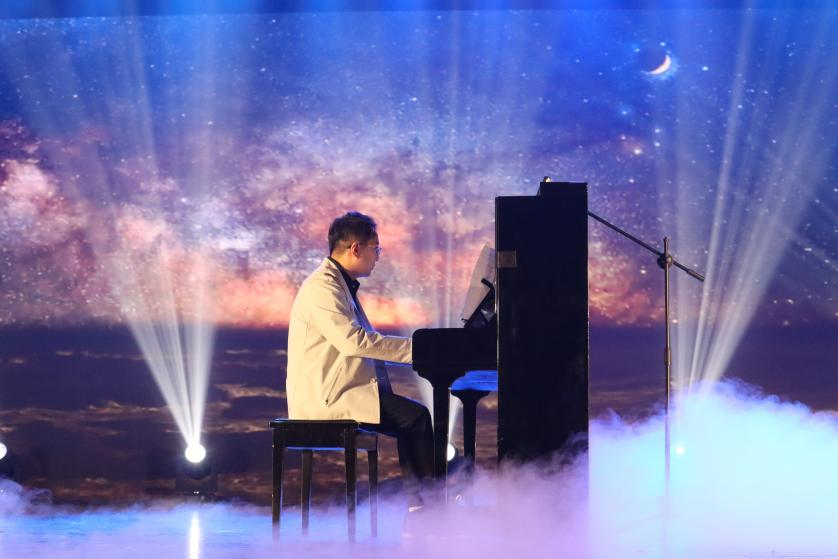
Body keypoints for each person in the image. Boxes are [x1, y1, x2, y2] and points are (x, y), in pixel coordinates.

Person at [286, 211, 434, 510]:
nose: (378, 257)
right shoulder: (322, 287)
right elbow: (353, 342)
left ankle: (423, 504)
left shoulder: (338, 284)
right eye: (376, 249)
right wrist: (418, 350)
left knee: (414, 419)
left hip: (340, 390)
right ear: (356, 248)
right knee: (416, 419)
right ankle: (425, 507)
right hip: (327, 398)